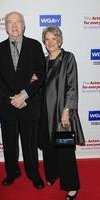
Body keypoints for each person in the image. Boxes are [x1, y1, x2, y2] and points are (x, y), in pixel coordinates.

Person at [0, 11, 46, 189]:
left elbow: (40, 74)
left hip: (29, 104)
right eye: (10, 22)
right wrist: (11, 98)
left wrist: (24, 95)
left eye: (18, 22)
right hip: (8, 105)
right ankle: (12, 172)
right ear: (5, 26)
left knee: (30, 144)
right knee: (9, 143)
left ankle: (33, 173)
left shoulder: (35, 46)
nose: (14, 26)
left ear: (24, 25)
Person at [38, 26, 85, 199]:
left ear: (60, 40)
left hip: (61, 113)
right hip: (45, 114)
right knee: (48, 148)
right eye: (47, 39)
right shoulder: (42, 61)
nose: (50, 42)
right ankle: (52, 175)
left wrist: (67, 111)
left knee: (65, 150)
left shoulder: (68, 58)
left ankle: (72, 186)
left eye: (53, 38)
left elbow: (72, 87)